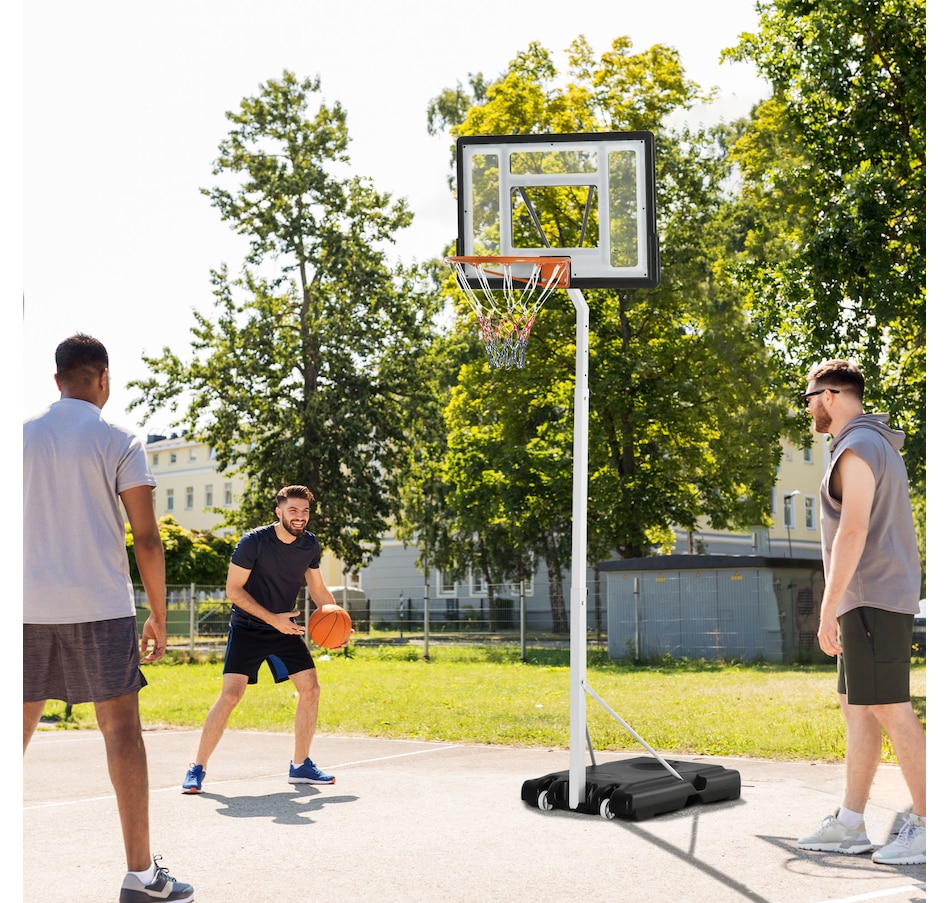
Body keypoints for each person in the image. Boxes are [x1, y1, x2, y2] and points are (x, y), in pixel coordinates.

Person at [23, 334, 194, 903]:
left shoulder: (18, 438)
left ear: (57, 380)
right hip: (100, 607)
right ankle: (141, 877)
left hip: (23, 608)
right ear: (102, 378)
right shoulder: (121, 439)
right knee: (121, 730)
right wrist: (159, 617)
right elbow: (146, 537)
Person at [796, 359, 925, 865]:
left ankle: (932, 824)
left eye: (807, 397)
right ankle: (851, 822)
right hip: (867, 596)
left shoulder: (858, 446)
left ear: (829, 395)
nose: (806, 407)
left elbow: (853, 532)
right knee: (860, 709)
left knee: (891, 708)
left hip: (871, 594)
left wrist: (826, 609)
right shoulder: (877, 444)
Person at [182, 484, 339, 793]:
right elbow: (233, 590)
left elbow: (318, 589)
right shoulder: (253, 542)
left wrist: (336, 619)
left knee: (310, 689)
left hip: (284, 628)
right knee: (231, 695)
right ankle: (196, 767)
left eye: (305, 511)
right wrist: (273, 620)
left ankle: (301, 765)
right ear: (279, 511)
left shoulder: (309, 545)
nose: (300, 516)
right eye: (293, 510)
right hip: (249, 628)